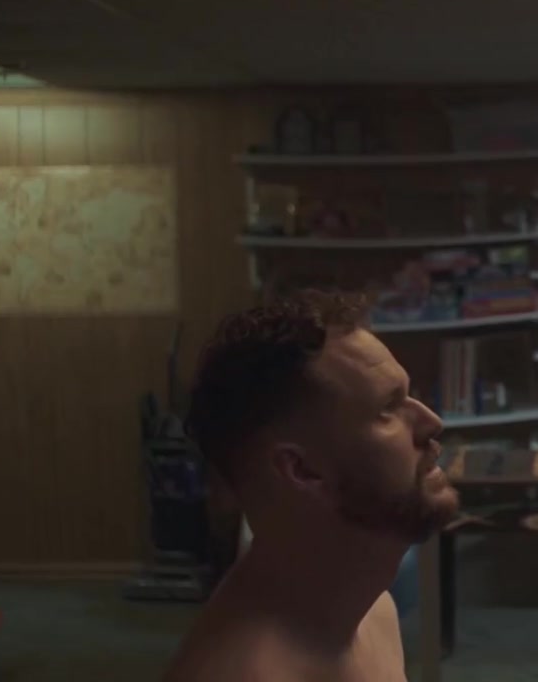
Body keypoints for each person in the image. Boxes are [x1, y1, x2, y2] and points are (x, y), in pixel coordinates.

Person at [164, 291, 459, 682]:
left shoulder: (372, 611)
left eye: (408, 396)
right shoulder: (247, 671)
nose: (432, 422)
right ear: (302, 470)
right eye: (388, 408)